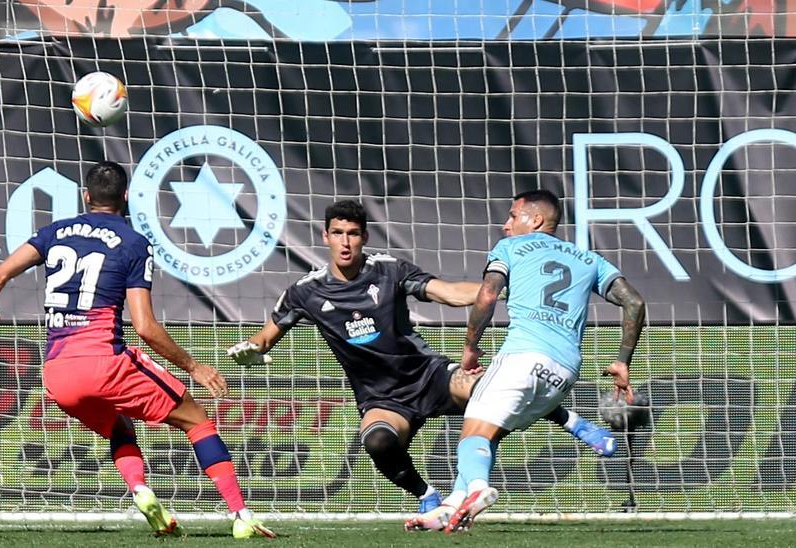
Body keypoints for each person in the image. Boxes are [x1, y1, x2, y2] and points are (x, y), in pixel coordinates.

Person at [225, 200, 617, 527]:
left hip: (428, 375)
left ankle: (575, 423)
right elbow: (265, 337)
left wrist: (493, 292)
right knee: (377, 442)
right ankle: (429, 496)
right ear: (325, 237)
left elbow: (446, 292)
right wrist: (251, 349)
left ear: (364, 236)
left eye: (354, 233)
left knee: (492, 388)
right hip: (381, 397)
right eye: (338, 234)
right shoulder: (304, 292)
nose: (346, 243)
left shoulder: (389, 270)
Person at [0, 161, 275, 539]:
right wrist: (195, 367)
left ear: (86, 197)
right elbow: (146, 327)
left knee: (120, 425)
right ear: (127, 197)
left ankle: (139, 489)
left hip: (57, 375)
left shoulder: (53, 233)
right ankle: (241, 514)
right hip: (104, 362)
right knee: (196, 419)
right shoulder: (133, 243)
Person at [441, 189, 645, 532]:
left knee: (472, 434)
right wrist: (623, 361)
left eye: (512, 216)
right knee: (490, 434)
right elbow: (635, 303)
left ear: (534, 219)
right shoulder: (589, 259)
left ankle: (477, 490)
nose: (506, 225)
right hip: (563, 374)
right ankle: (449, 510)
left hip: (523, 354)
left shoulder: (510, 248)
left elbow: (488, 295)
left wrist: (470, 347)